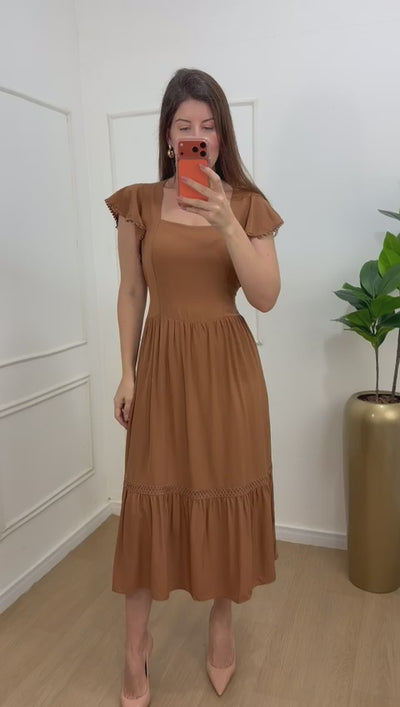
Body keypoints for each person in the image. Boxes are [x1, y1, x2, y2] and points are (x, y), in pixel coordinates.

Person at [105, 67, 283, 707]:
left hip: (227, 373)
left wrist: (225, 221)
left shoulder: (246, 205)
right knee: (149, 496)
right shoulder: (138, 204)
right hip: (161, 369)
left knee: (222, 487)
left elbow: (265, 296)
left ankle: (220, 622)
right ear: (167, 135)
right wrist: (127, 371)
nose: (196, 135)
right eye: (184, 125)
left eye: (208, 125)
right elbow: (131, 291)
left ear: (221, 135)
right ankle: (135, 647)